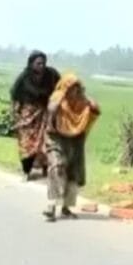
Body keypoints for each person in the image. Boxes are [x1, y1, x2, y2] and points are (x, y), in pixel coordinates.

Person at [43, 74, 100, 222]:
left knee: (73, 173)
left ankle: (66, 208)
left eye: (76, 88)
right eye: (69, 88)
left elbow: (95, 109)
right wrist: (60, 96)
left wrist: (86, 99)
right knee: (57, 167)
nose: (72, 91)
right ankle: (51, 206)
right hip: (56, 138)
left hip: (75, 140)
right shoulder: (57, 98)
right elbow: (51, 109)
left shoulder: (81, 101)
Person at [10, 50, 60, 180]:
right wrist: (16, 112)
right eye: (38, 63)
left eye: (43, 63)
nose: (41, 66)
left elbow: (61, 87)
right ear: (31, 63)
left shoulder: (51, 74)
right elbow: (15, 95)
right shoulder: (24, 77)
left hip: (45, 113)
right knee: (27, 144)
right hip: (29, 115)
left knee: (45, 141)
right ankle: (26, 171)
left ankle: (45, 169)